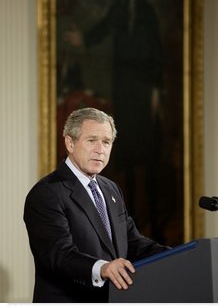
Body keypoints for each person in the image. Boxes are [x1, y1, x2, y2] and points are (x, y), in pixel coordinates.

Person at [24, 107, 169, 303]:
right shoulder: (47, 193)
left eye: (106, 142)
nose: (100, 149)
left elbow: (133, 242)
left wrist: (180, 255)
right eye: (92, 140)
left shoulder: (111, 189)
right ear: (70, 142)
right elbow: (57, 254)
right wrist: (102, 268)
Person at [64, 0, 164, 224]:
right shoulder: (121, 4)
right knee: (129, 155)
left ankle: (152, 217)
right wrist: (83, 40)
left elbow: (156, 53)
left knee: (148, 155)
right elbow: (104, 27)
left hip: (143, 91)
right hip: (124, 90)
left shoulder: (146, 8)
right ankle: (130, 215)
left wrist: (155, 92)